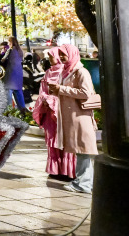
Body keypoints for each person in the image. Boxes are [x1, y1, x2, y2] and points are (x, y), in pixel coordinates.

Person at [48, 44, 98, 193]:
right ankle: (82, 181)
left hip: (81, 117)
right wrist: (56, 91)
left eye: (64, 54)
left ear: (72, 54)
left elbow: (86, 93)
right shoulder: (67, 71)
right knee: (79, 150)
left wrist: (61, 89)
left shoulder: (81, 72)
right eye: (60, 54)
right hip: (72, 118)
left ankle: (84, 184)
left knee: (83, 150)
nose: (61, 57)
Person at [32, 47, 76, 180]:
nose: (50, 59)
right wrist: (45, 99)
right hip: (50, 112)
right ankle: (55, 170)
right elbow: (43, 90)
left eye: (52, 56)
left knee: (64, 140)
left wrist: (53, 99)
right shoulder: (48, 72)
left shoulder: (66, 71)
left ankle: (67, 171)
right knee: (52, 140)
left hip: (61, 112)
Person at [0, 37, 26, 114]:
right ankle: (23, 112)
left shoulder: (10, 50)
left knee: (8, 94)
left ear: (11, 42)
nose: (8, 44)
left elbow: (2, 60)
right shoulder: (20, 51)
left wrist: (1, 54)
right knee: (19, 94)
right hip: (18, 76)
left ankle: (8, 113)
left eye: (9, 42)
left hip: (10, 75)